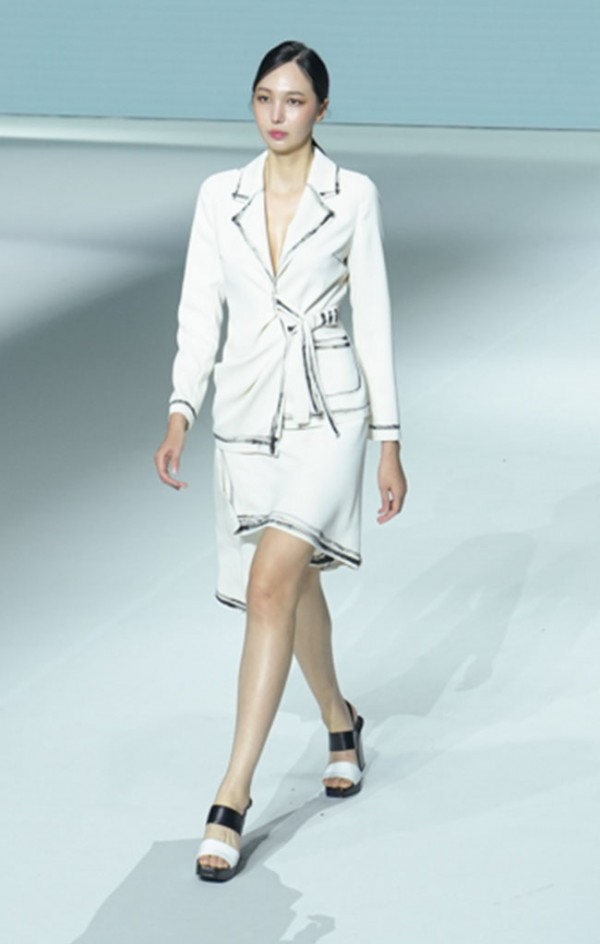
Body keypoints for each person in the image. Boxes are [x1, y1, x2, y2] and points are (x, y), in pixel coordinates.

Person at [154, 40, 408, 882]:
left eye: (294, 100)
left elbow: (374, 318)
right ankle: (340, 720)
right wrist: (182, 409)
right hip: (246, 412)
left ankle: (231, 794)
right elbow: (200, 310)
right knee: (294, 587)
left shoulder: (352, 195)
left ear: (321, 110)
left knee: (270, 583)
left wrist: (389, 440)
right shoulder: (218, 195)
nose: (276, 114)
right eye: (265, 97)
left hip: (329, 413)